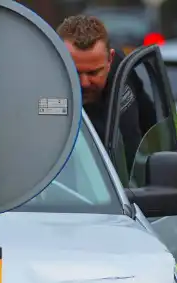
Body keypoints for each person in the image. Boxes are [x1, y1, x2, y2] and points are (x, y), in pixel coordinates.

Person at [57, 15, 144, 174]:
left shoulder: (123, 82)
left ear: (110, 60)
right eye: (74, 72)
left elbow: (132, 151)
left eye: (93, 73)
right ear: (55, 60)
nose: (84, 83)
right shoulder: (41, 86)